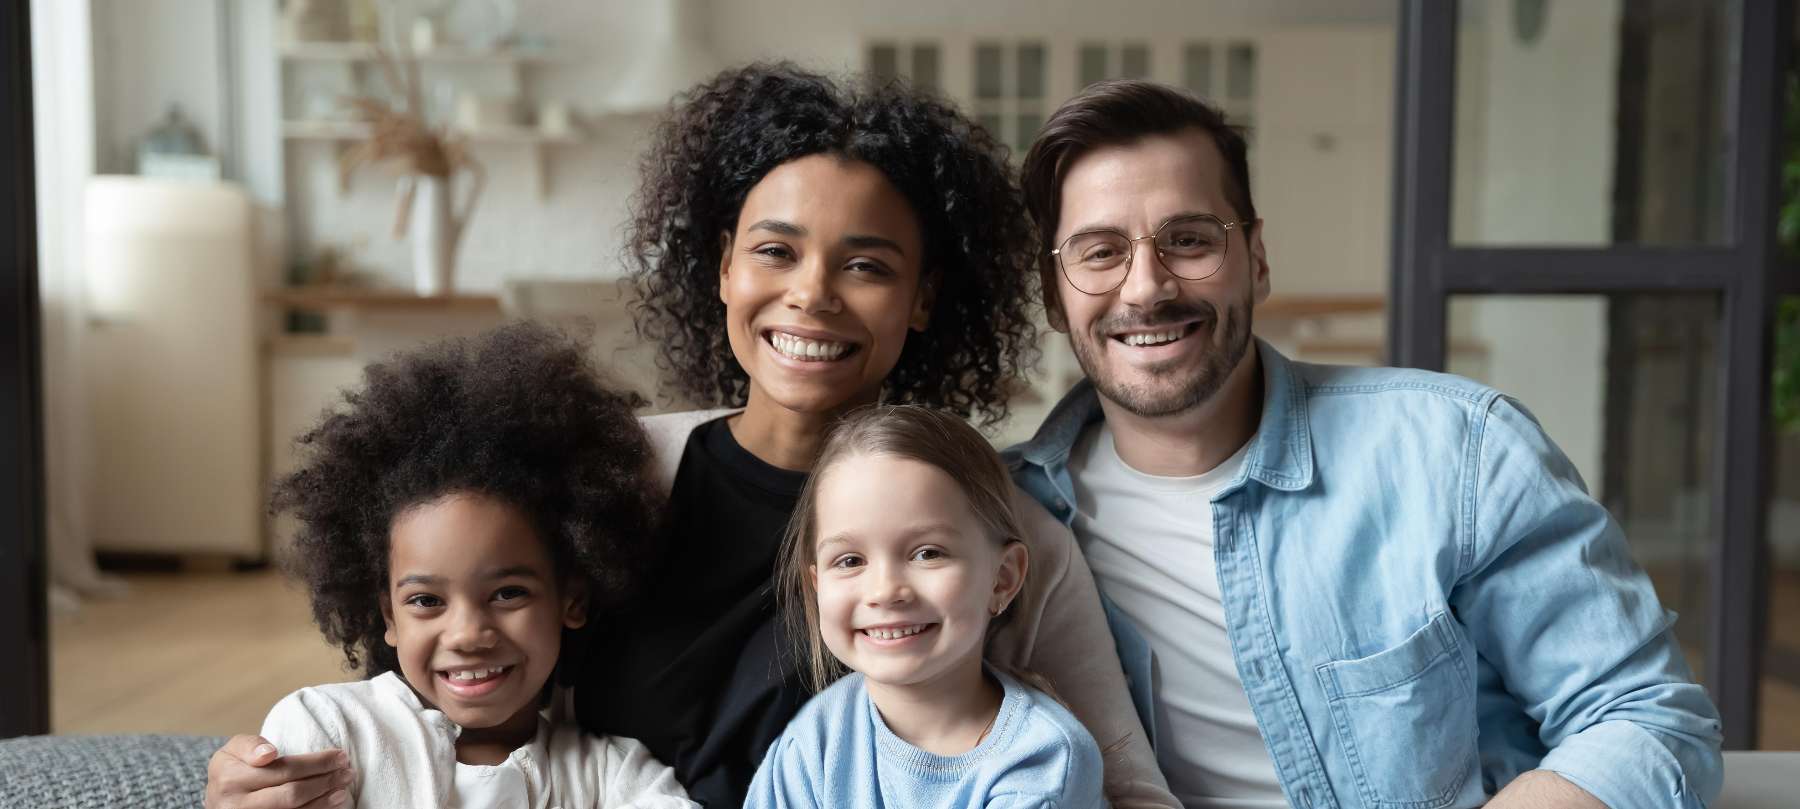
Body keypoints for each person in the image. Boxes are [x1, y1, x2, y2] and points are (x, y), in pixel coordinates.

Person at [205, 63, 1177, 809]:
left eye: (867, 265)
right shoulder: (605, 475)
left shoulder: (997, 529)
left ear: (925, 297)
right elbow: (431, 693)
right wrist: (259, 778)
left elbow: (1128, 791)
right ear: (720, 269)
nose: (811, 292)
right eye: (774, 250)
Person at [1007, 78, 1725, 809]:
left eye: (1188, 240)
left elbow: (1648, 720)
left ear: (1256, 257)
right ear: (1053, 293)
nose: (1146, 287)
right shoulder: (1000, 519)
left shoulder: (1457, 452)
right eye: (1100, 253)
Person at [258, 322, 692, 808]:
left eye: (507, 593)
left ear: (571, 599)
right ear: (388, 617)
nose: (467, 634)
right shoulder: (327, 733)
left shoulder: (616, 779)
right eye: (425, 601)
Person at [746, 405, 1104, 809]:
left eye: (928, 553)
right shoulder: (815, 740)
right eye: (849, 561)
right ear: (817, 587)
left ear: (1002, 578)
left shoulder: (1041, 760)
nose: (884, 591)